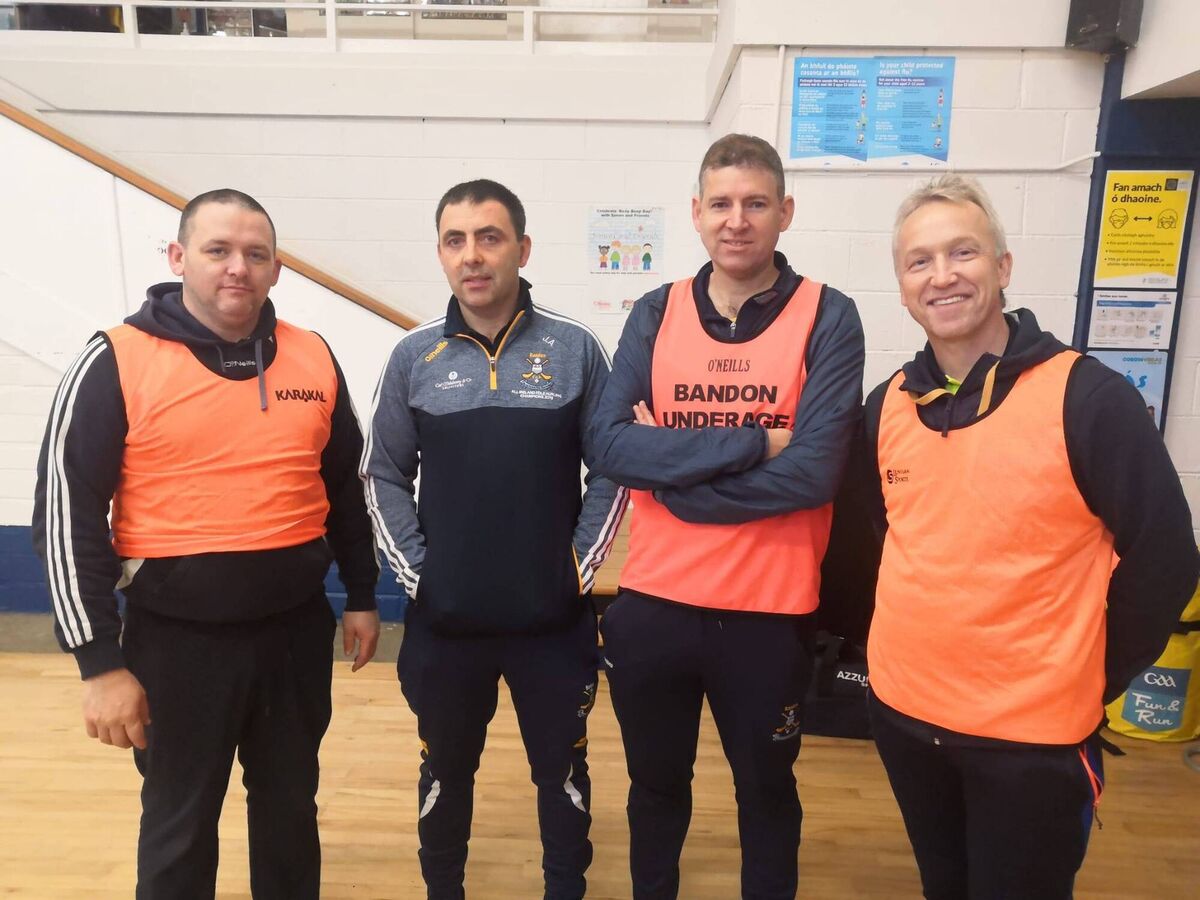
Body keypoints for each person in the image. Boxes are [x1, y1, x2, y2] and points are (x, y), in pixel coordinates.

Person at [32, 188, 381, 899]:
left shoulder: (313, 357)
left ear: (277, 269)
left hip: (293, 634)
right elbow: (65, 519)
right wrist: (99, 664)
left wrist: (364, 596)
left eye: (256, 254)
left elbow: (347, 488)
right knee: (179, 828)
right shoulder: (115, 359)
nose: (237, 268)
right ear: (178, 256)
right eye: (218, 250)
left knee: (289, 816)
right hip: (175, 645)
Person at [863, 174, 1200, 899]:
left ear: (1003, 268)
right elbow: (879, 542)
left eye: (964, 253)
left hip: (1031, 742)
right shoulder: (887, 402)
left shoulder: (1087, 397)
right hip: (905, 717)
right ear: (901, 284)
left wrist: (1092, 673)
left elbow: (1167, 558)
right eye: (919, 261)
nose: (943, 275)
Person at [589, 133, 865, 899]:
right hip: (655, 609)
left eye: (754, 204)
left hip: (767, 618)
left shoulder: (829, 317)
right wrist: (753, 442)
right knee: (654, 791)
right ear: (696, 214)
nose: (736, 220)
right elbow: (610, 446)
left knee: (768, 796)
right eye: (720, 204)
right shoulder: (657, 310)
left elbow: (813, 475)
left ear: (784, 212)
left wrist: (674, 477)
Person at [362, 179, 626, 900]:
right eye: (456, 240)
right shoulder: (414, 356)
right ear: (442, 254)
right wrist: (421, 575)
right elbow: (381, 474)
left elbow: (613, 466)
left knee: (563, 773)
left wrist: (577, 568)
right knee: (445, 772)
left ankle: (564, 888)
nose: (472, 256)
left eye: (489, 237)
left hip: (554, 624)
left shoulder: (575, 350)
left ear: (522, 248)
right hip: (446, 626)